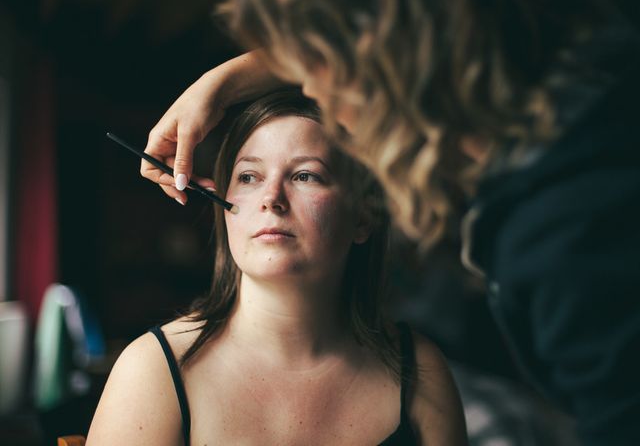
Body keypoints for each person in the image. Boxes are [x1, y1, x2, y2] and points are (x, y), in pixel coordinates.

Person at [139, 0, 640, 444]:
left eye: (306, 174)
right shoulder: (591, 81)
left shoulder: (561, 237)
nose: (310, 87)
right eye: (248, 176)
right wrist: (227, 81)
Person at [87, 89, 467, 445]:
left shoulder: (421, 373)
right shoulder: (151, 372)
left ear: (362, 218)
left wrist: (218, 85)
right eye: (249, 177)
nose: (271, 199)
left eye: (305, 175)